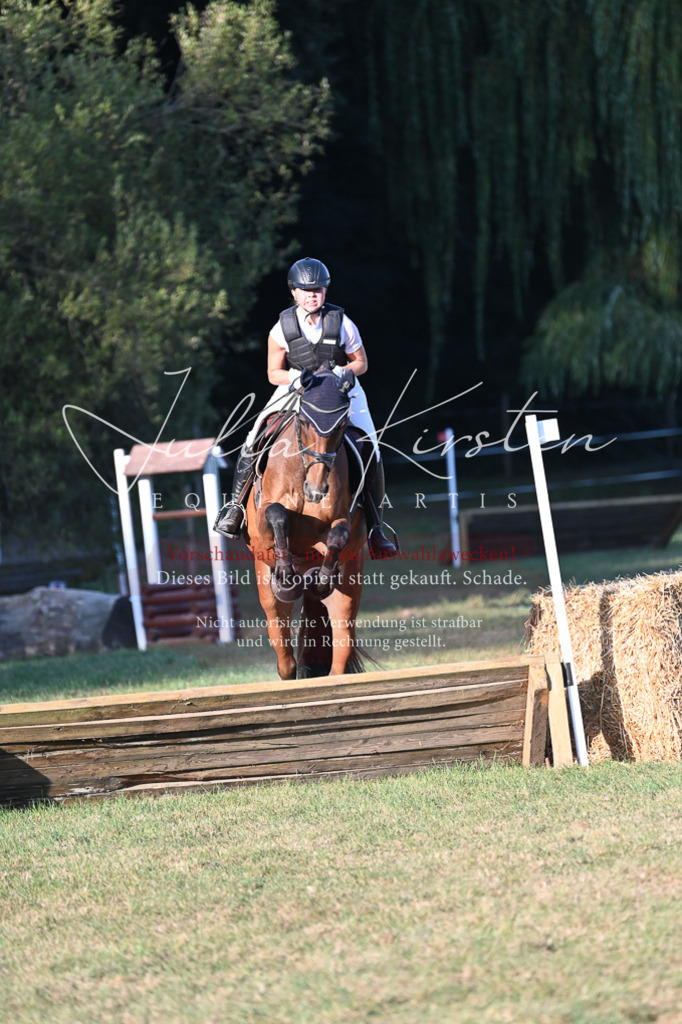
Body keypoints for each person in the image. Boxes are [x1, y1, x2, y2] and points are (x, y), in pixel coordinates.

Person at [215, 257, 398, 558]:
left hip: (339, 391)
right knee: (253, 437)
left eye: (319, 290)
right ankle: (235, 507)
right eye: (306, 290)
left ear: (325, 291)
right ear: (294, 292)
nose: (313, 295)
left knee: (370, 445)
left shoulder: (342, 322)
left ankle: (376, 527)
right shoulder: (281, 327)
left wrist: (342, 372)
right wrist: (296, 377)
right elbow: (273, 373)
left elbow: (361, 362)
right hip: (296, 388)